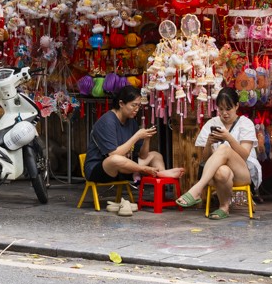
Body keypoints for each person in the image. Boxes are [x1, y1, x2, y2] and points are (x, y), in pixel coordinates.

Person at [179, 88, 259, 216]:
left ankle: (198, 188)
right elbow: (205, 160)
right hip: (216, 175)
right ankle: (224, 207)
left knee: (224, 149)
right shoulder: (212, 123)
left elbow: (245, 155)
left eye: (228, 109)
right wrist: (209, 143)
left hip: (243, 172)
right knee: (222, 171)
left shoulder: (245, 123)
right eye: (221, 109)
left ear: (237, 106)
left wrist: (229, 138)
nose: (225, 113)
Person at [87, 85, 171, 183]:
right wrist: (137, 136)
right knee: (115, 159)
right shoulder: (107, 121)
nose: (137, 109)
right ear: (121, 103)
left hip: (125, 166)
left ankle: (162, 179)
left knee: (156, 155)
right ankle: (143, 170)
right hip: (101, 169)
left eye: (139, 106)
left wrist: (146, 138)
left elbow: (143, 156)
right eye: (133, 105)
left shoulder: (131, 121)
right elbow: (113, 154)